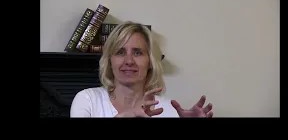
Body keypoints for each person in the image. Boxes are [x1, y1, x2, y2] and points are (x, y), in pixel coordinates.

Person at [70, 21, 213, 117]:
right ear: (109, 60)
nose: (129, 61)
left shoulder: (168, 110)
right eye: (120, 52)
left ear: (150, 61)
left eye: (137, 52)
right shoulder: (87, 100)